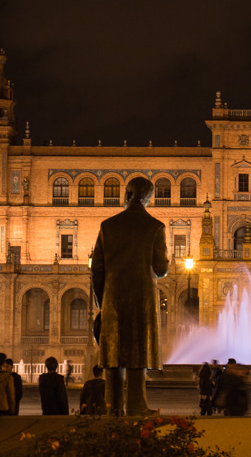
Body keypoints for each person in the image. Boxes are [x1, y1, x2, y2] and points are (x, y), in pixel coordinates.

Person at [91, 177, 169, 416]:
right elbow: (160, 268)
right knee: (138, 348)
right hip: (141, 295)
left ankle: (111, 406)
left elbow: (97, 268)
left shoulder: (108, 226)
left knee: (113, 351)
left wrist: (102, 300)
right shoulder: (155, 227)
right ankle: (136, 405)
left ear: (128, 194)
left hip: (113, 296)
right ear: (147, 198)